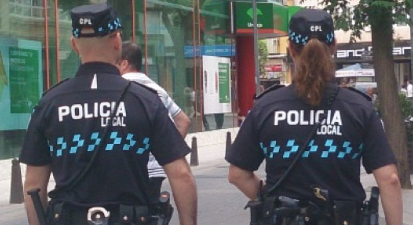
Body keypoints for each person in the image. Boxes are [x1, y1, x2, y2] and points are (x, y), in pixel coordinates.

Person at [20, 3, 197, 225]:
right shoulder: (144, 100)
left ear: (74, 45)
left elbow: (33, 186)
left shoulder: (49, 103)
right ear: (116, 41)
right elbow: (181, 175)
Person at [226, 9, 402, 225]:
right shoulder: (358, 108)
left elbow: (237, 174)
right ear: (334, 46)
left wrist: (270, 201)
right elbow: (389, 179)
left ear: (291, 49)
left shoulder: (266, 107)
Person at [118, 41, 191, 209]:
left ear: (124, 63)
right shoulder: (157, 89)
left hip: (128, 166)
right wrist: (165, 151)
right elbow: (184, 121)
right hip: (155, 170)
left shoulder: (119, 90)